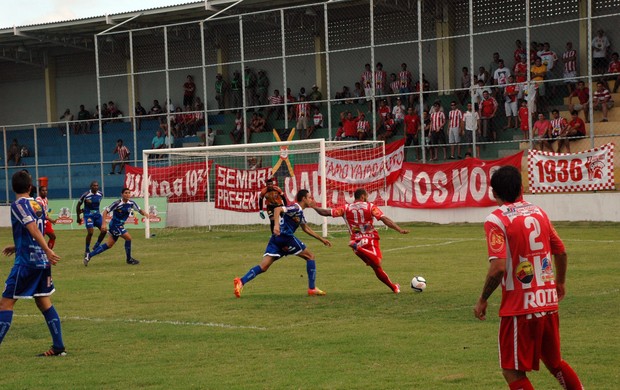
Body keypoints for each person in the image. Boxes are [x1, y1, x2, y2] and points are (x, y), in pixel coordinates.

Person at [474, 165, 583, 390]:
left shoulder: (496, 220)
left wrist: (483, 299)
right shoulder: (539, 212)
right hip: (547, 302)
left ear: (494, 192)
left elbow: (498, 268)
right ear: (521, 188)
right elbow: (560, 250)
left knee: (512, 371)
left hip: (519, 309)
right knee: (555, 362)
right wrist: (559, 283)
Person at [0, 170, 64, 356]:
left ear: (12, 188)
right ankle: (58, 347)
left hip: (27, 263)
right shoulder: (37, 203)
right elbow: (37, 230)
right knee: (43, 302)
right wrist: (17, 245)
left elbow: (32, 228)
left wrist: (47, 249)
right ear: (30, 187)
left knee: (5, 304)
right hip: (41, 262)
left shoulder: (18, 205)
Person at [234, 189, 331, 298]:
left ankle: (241, 281)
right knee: (310, 256)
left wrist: (321, 239)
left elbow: (306, 228)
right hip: (285, 237)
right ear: (304, 199)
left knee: (264, 266)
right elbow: (277, 209)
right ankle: (312, 288)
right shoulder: (295, 208)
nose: (311, 199)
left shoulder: (299, 213)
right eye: (309, 197)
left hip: (276, 239)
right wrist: (276, 225)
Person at [313, 188, 409, 294]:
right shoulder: (370, 206)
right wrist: (399, 229)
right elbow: (384, 219)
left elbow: (325, 212)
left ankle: (394, 287)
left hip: (356, 239)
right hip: (370, 239)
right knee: (377, 261)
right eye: (366, 196)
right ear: (363, 196)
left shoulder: (345, 208)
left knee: (376, 267)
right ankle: (357, 247)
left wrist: (313, 206)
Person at [83, 188, 148, 266]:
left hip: (119, 225)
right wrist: (104, 224)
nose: (128, 195)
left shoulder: (131, 203)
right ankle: (129, 259)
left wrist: (145, 214)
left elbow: (139, 210)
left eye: (129, 193)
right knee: (128, 238)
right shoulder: (117, 203)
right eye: (126, 193)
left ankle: (89, 255)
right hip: (115, 225)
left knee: (109, 244)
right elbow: (105, 212)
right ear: (122, 194)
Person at [76, 180, 107, 256]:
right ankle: (87, 249)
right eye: (94, 186)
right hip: (88, 215)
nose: (96, 187)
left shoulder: (100, 194)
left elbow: (95, 205)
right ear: (91, 187)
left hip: (97, 215)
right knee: (90, 232)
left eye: (97, 185)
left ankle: (97, 244)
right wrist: (78, 217)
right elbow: (78, 205)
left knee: (104, 230)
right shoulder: (85, 195)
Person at [35, 185, 57, 250]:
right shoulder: (38, 200)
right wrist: (50, 219)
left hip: (46, 222)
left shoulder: (46, 199)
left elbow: (45, 211)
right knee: (39, 241)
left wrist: (48, 219)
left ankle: (48, 253)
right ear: (39, 192)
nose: (45, 192)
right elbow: (40, 214)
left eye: (46, 190)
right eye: (43, 190)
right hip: (40, 223)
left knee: (53, 237)